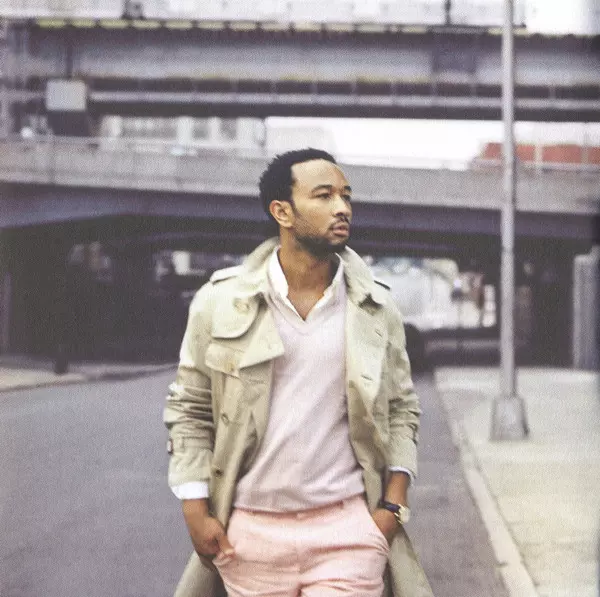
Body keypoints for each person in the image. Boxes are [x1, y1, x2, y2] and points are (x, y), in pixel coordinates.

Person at [164, 148, 434, 597]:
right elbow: (190, 408)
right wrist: (195, 506)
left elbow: (402, 407)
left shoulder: (375, 307)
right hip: (251, 534)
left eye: (346, 196)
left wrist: (393, 504)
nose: (342, 208)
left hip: (346, 531)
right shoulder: (220, 301)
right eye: (324, 196)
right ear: (282, 212)